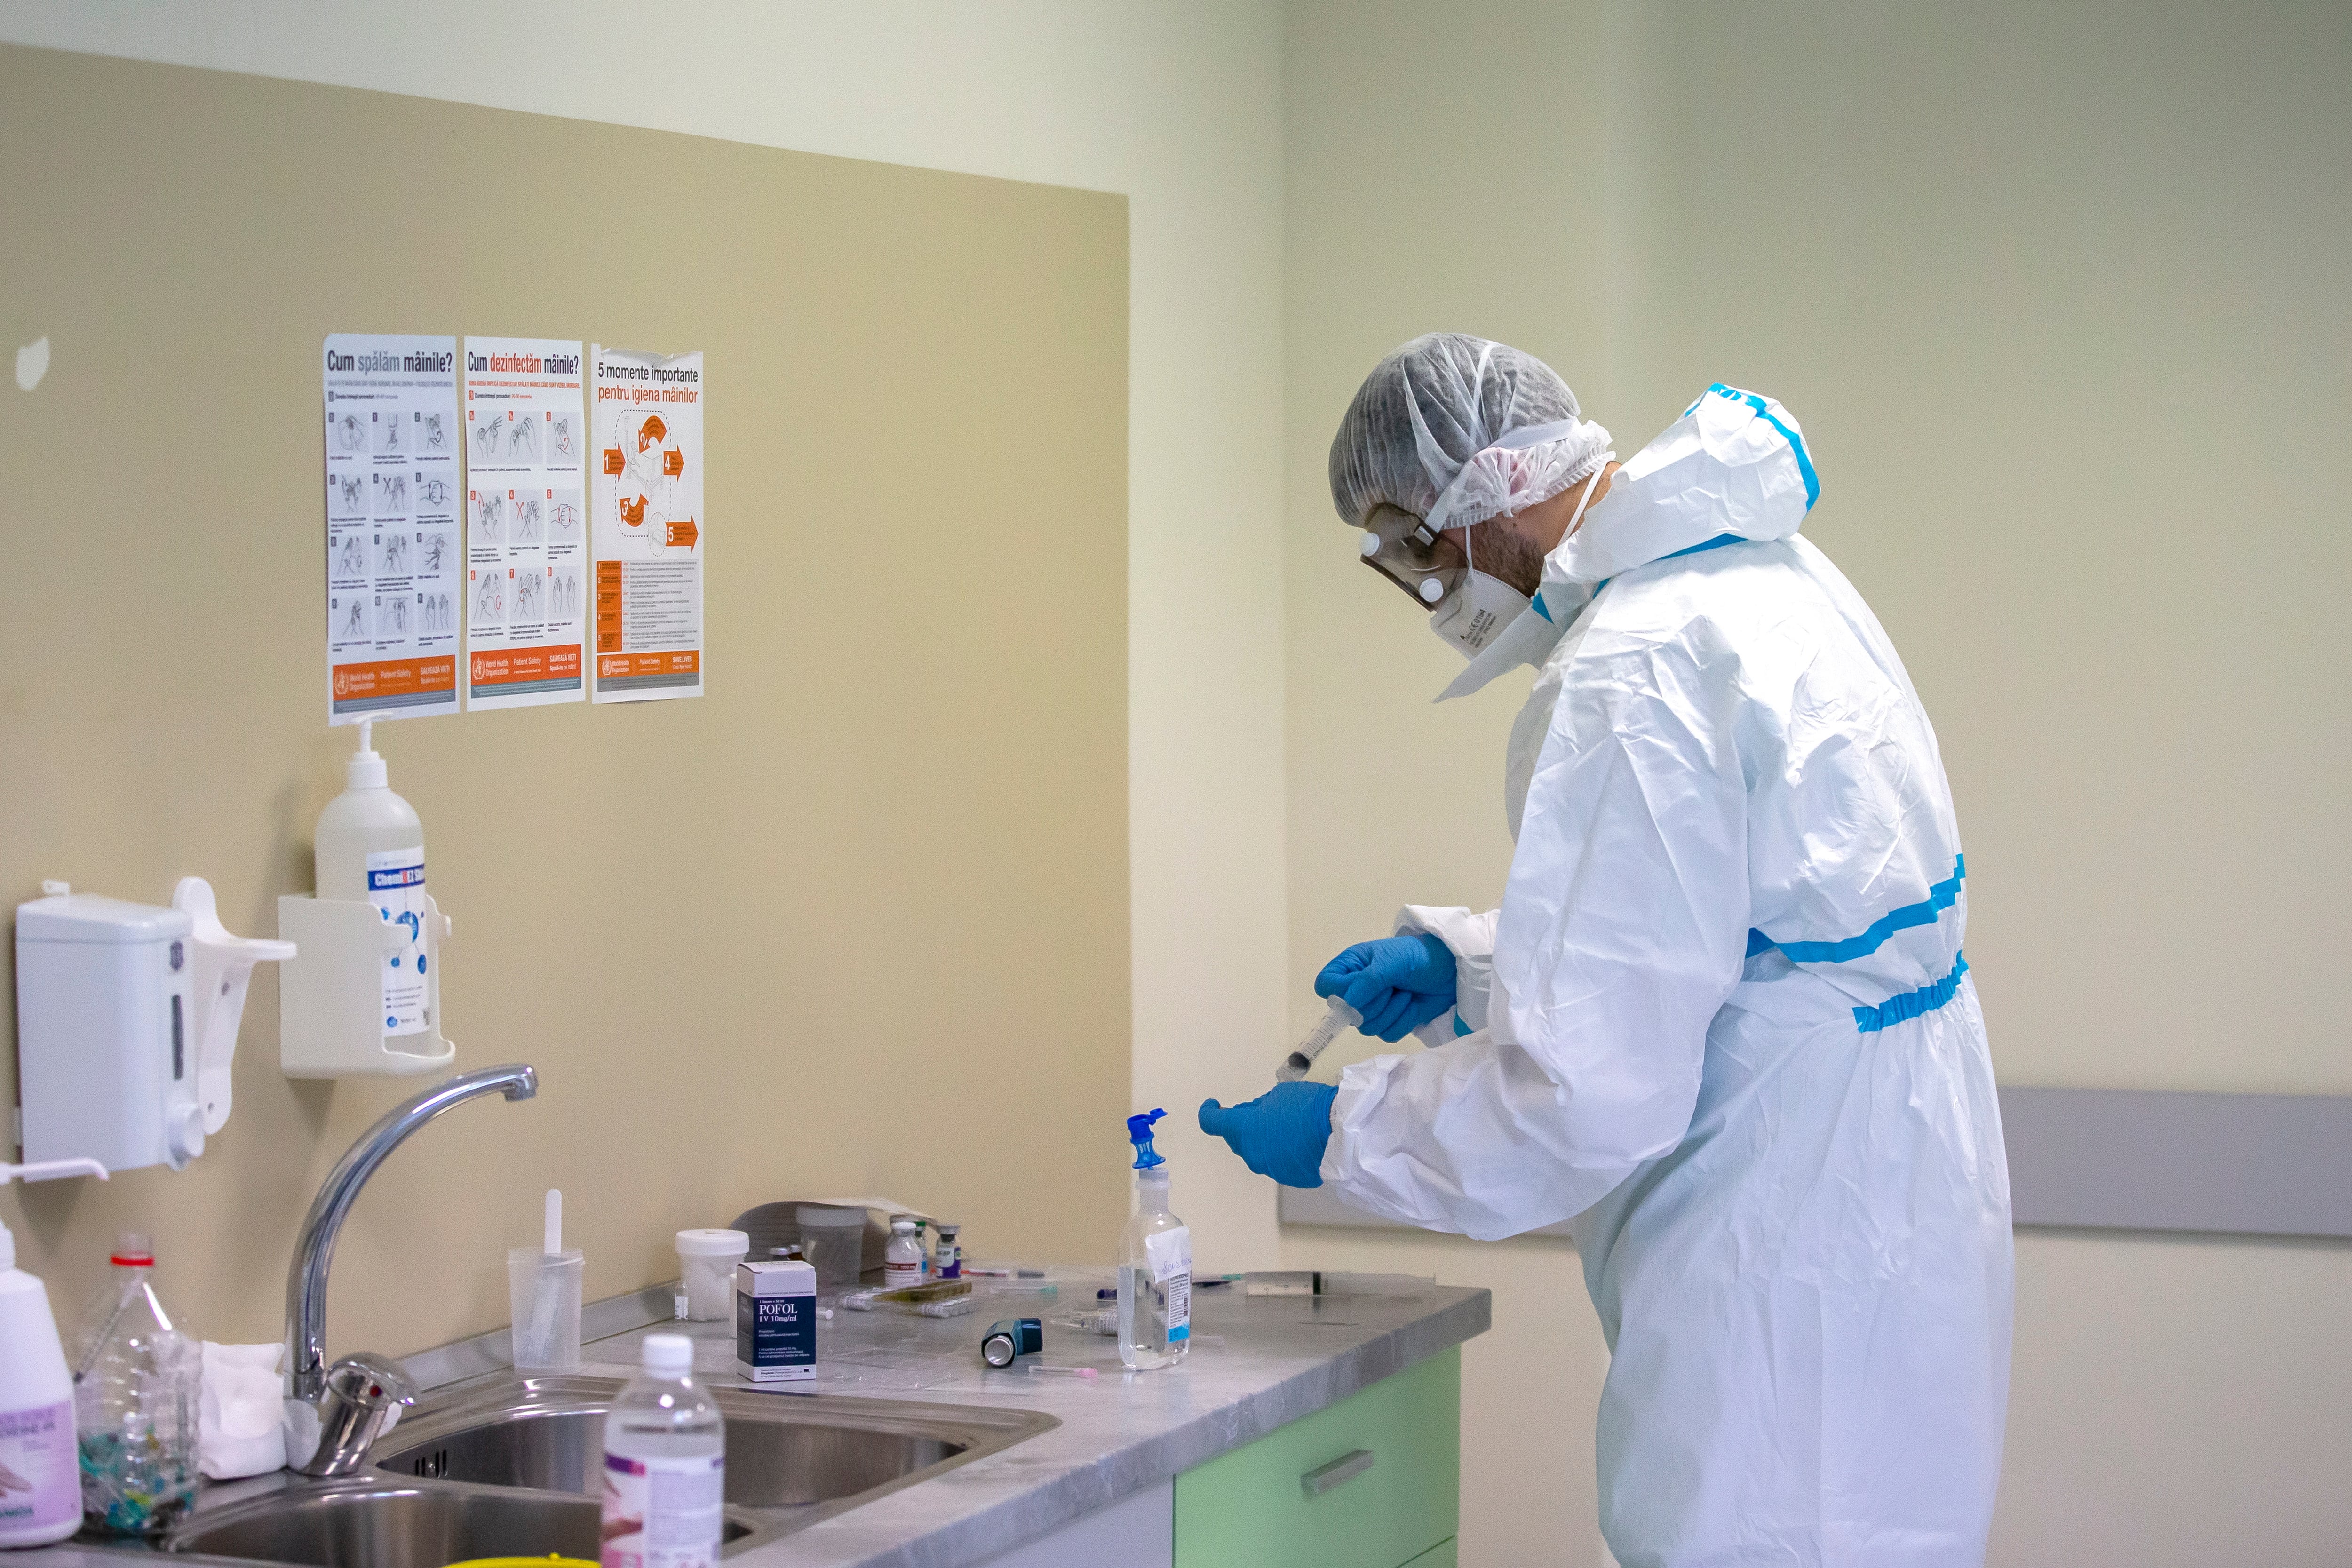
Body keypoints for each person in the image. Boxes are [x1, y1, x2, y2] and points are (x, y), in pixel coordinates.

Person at [1199, 335, 2012, 1567]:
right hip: (1881, 1203)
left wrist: (1347, 1134)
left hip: (1778, 1249)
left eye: (1413, 547)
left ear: (1486, 490)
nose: (1425, 588)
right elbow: (1744, 934)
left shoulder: (1631, 673)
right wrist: (1473, 970)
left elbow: (1589, 1095)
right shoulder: (1764, 579)